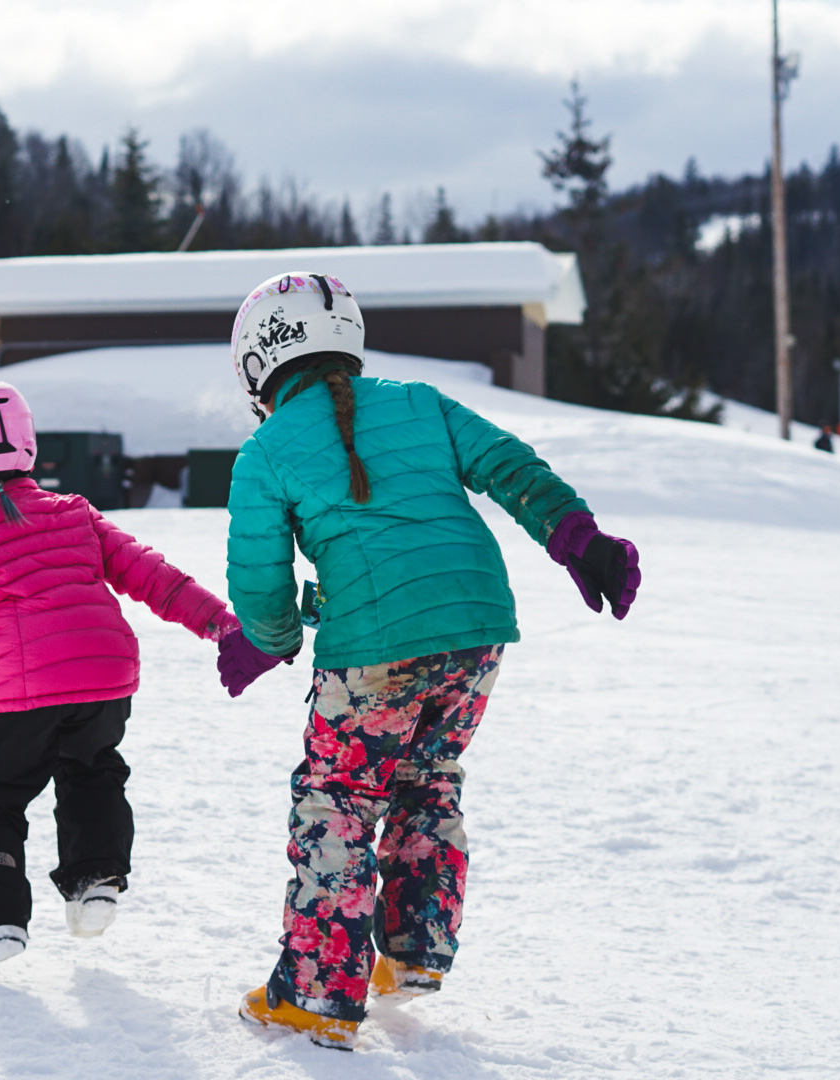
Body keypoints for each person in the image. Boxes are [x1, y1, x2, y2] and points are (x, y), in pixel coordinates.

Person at [216, 272, 641, 1050]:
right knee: (426, 777)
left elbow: (261, 583)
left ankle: (317, 992)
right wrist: (578, 539)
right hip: (476, 631)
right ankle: (412, 950)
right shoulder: (420, 401)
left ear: (256, 364)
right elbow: (510, 468)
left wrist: (270, 638)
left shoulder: (266, 450)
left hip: (373, 654)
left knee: (339, 794)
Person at [0, 377, 241, 978]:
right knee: (91, 770)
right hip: (106, 675)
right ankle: (96, 878)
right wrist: (221, 624)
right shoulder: (74, 513)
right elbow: (152, 576)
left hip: (19, 692)